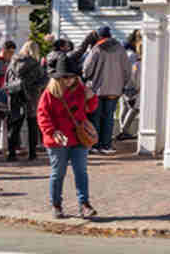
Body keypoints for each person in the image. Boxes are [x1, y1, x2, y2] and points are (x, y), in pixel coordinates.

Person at [37, 53, 99, 219]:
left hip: (79, 137)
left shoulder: (80, 89)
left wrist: (91, 97)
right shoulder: (50, 93)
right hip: (58, 139)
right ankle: (56, 204)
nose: (68, 80)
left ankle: (84, 204)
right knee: (58, 172)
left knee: (81, 171)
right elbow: (43, 115)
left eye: (71, 77)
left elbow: (91, 108)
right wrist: (51, 131)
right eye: (64, 77)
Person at [81, 26, 130, 153]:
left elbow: (86, 69)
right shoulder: (120, 49)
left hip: (97, 89)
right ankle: (106, 145)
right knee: (109, 117)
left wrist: (87, 78)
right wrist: (123, 84)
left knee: (95, 117)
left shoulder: (97, 49)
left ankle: (95, 145)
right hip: (115, 89)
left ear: (99, 36)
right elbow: (127, 70)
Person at [7, 41, 48, 161]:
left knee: (15, 125)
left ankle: (11, 153)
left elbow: (8, 78)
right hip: (31, 96)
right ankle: (32, 153)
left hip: (16, 95)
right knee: (32, 125)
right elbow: (43, 80)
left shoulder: (13, 61)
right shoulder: (35, 64)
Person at [117, 30, 142, 141]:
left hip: (121, 82)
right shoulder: (133, 55)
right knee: (134, 108)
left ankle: (123, 131)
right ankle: (123, 131)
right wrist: (136, 86)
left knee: (125, 108)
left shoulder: (123, 53)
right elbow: (133, 71)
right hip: (130, 83)